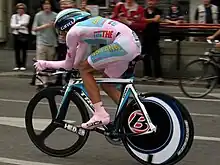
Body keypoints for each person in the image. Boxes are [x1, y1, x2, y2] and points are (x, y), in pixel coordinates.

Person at [34, 8, 141, 129]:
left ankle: (100, 114)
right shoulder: (83, 31)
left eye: (60, 30)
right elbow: (75, 64)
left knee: (85, 69)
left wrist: (45, 64)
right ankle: (133, 115)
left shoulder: (73, 32)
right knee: (107, 84)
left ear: (66, 23)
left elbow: (69, 65)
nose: (61, 35)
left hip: (123, 44)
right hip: (132, 43)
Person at [10, 3, 30, 71]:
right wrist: (21, 25)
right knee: (17, 51)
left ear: (24, 10)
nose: (20, 10)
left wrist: (17, 25)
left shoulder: (27, 16)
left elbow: (26, 23)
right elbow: (12, 25)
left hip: (24, 34)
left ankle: (23, 65)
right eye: (19, 8)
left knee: (24, 51)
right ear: (17, 9)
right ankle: (17, 65)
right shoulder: (14, 16)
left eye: (22, 8)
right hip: (16, 34)